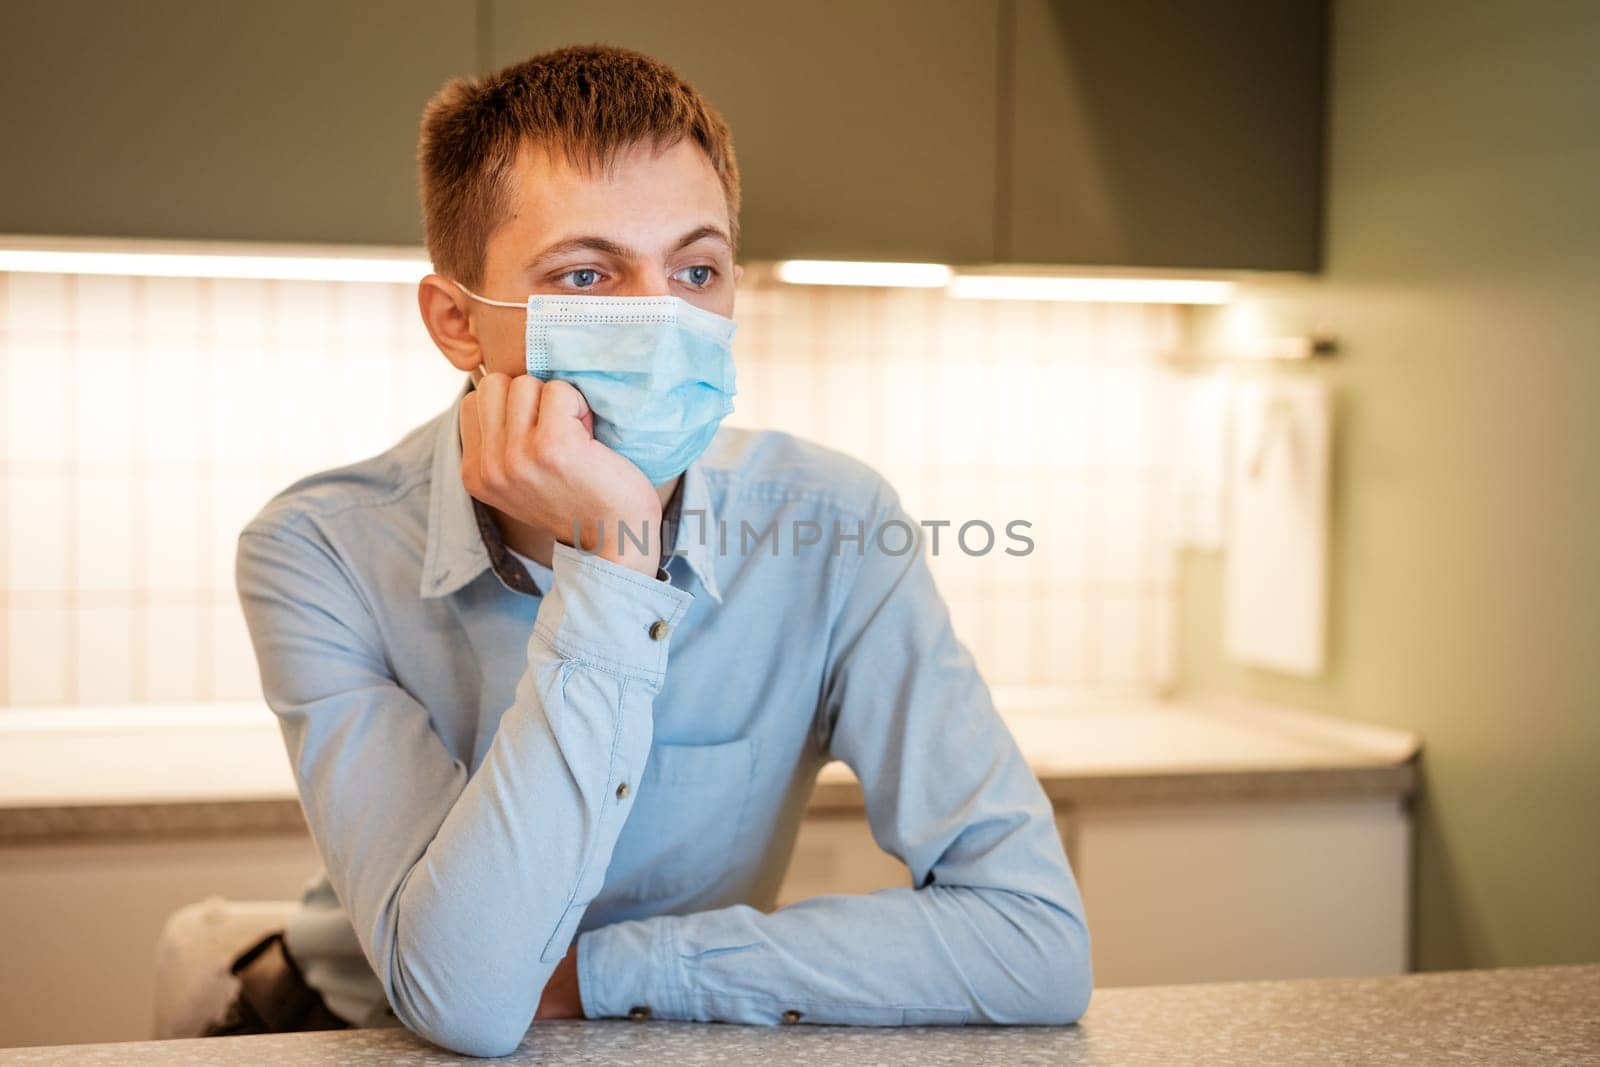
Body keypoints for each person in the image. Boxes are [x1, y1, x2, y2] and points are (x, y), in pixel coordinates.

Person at [214, 43, 1091, 1058]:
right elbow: (460, 997)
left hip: (660, 1032)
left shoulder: (838, 524)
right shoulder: (318, 549)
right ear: (458, 322)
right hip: (347, 1035)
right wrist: (615, 563)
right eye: (587, 274)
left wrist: (598, 971)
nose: (661, 318)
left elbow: (1033, 942)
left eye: (695, 270)